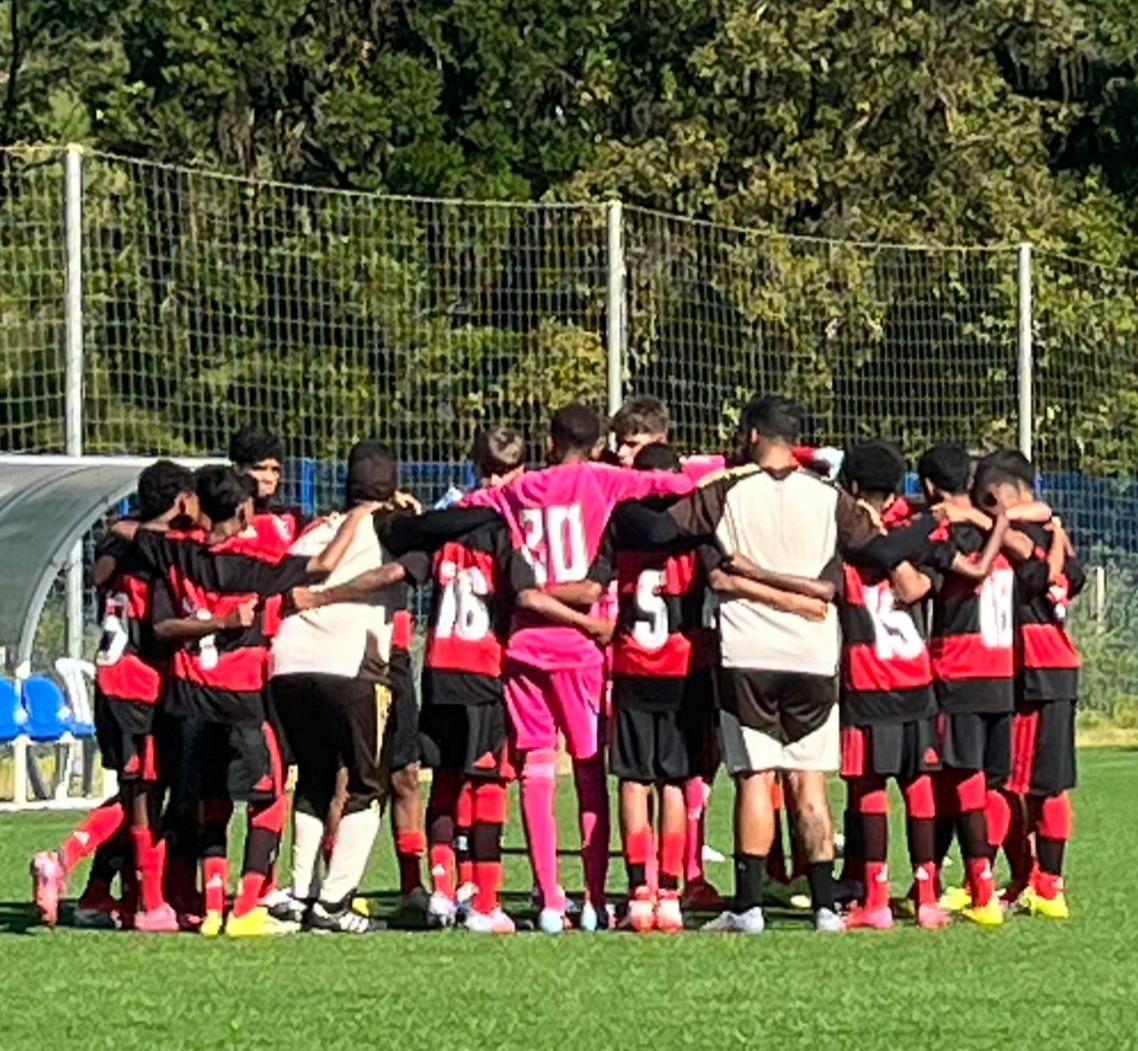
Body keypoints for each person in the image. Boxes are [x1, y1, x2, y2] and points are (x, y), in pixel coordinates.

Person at [636, 395, 933, 935]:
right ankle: (824, 906)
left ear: (751, 435)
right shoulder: (829, 497)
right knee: (809, 777)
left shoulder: (726, 490)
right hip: (814, 652)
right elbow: (883, 553)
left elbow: (658, 532)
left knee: (755, 775)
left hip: (747, 650)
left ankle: (747, 907)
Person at [462, 404, 694, 933]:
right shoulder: (602, 480)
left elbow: (475, 502)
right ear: (595, 446)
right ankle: (592, 899)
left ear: (548, 442)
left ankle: (548, 900)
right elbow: (671, 483)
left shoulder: (522, 488)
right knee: (590, 770)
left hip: (524, 641)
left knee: (536, 773)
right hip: (581, 648)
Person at [147, 466, 365, 937]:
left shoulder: (174, 552)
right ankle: (247, 905)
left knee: (212, 800)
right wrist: (357, 516)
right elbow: (323, 566)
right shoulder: (253, 564)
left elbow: (136, 551)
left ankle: (210, 908)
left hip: (189, 698)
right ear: (244, 509)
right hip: (241, 698)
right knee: (268, 797)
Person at [835, 442, 1009, 931]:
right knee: (919, 787)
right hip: (917, 681)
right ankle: (928, 895)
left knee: (869, 789)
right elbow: (915, 589)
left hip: (868, 682)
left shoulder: (846, 542)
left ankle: (875, 899)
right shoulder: (922, 537)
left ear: (850, 489)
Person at [268, 441, 429, 933]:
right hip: (352, 665)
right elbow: (398, 568)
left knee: (315, 776)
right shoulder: (391, 526)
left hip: (290, 665)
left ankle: (300, 893)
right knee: (367, 783)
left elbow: (282, 578)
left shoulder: (319, 527)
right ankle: (335, 904)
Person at [30, 461, 198, 930]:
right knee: (141, 796)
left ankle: (105, 894)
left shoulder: (122, 544)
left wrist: (124, 530)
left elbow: (102, 573)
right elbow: (158, 628)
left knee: (137, 791)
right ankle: (69, 860)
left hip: (111, 682)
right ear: (182, 500)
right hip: (138, 685)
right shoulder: (161, 557)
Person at [972, 449, 1083, 920]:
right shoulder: (1055, 530)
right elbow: (1067, 576)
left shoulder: (1018, 538)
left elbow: (1041, 574)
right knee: (1029, 783)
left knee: (1028, 784)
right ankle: (1033, 882)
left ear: (998, 496)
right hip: (1046, 666)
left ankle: (1038, 886)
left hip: (1038, 668)